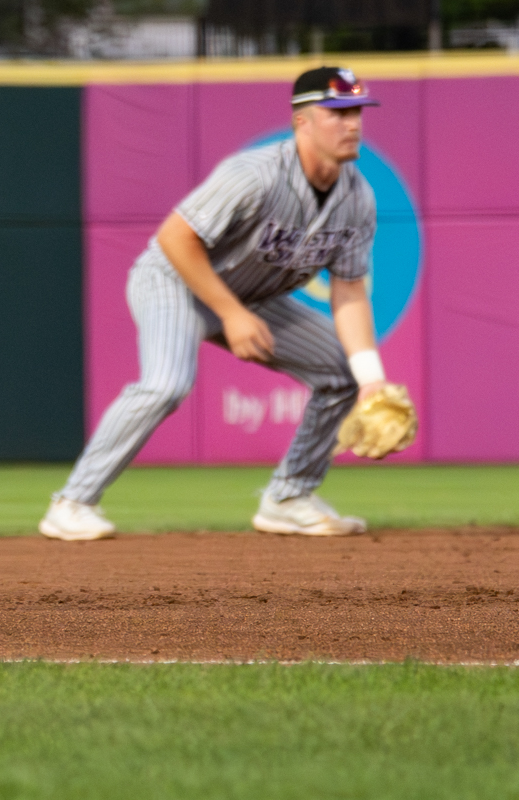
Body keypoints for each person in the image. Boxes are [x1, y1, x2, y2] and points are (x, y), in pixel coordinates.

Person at [40, 66, 408, 542]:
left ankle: (289, 497)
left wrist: (372, 379)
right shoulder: (254, 174)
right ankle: (72, 503)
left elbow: (350, 290)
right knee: (166, 384)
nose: (351, 123)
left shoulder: (358, 198)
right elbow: (175, 238)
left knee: (342, 373)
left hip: (250, 297)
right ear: (302, 121)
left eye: (356, 111)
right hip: (174, 281)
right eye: (336, 112)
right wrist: (232, 313)